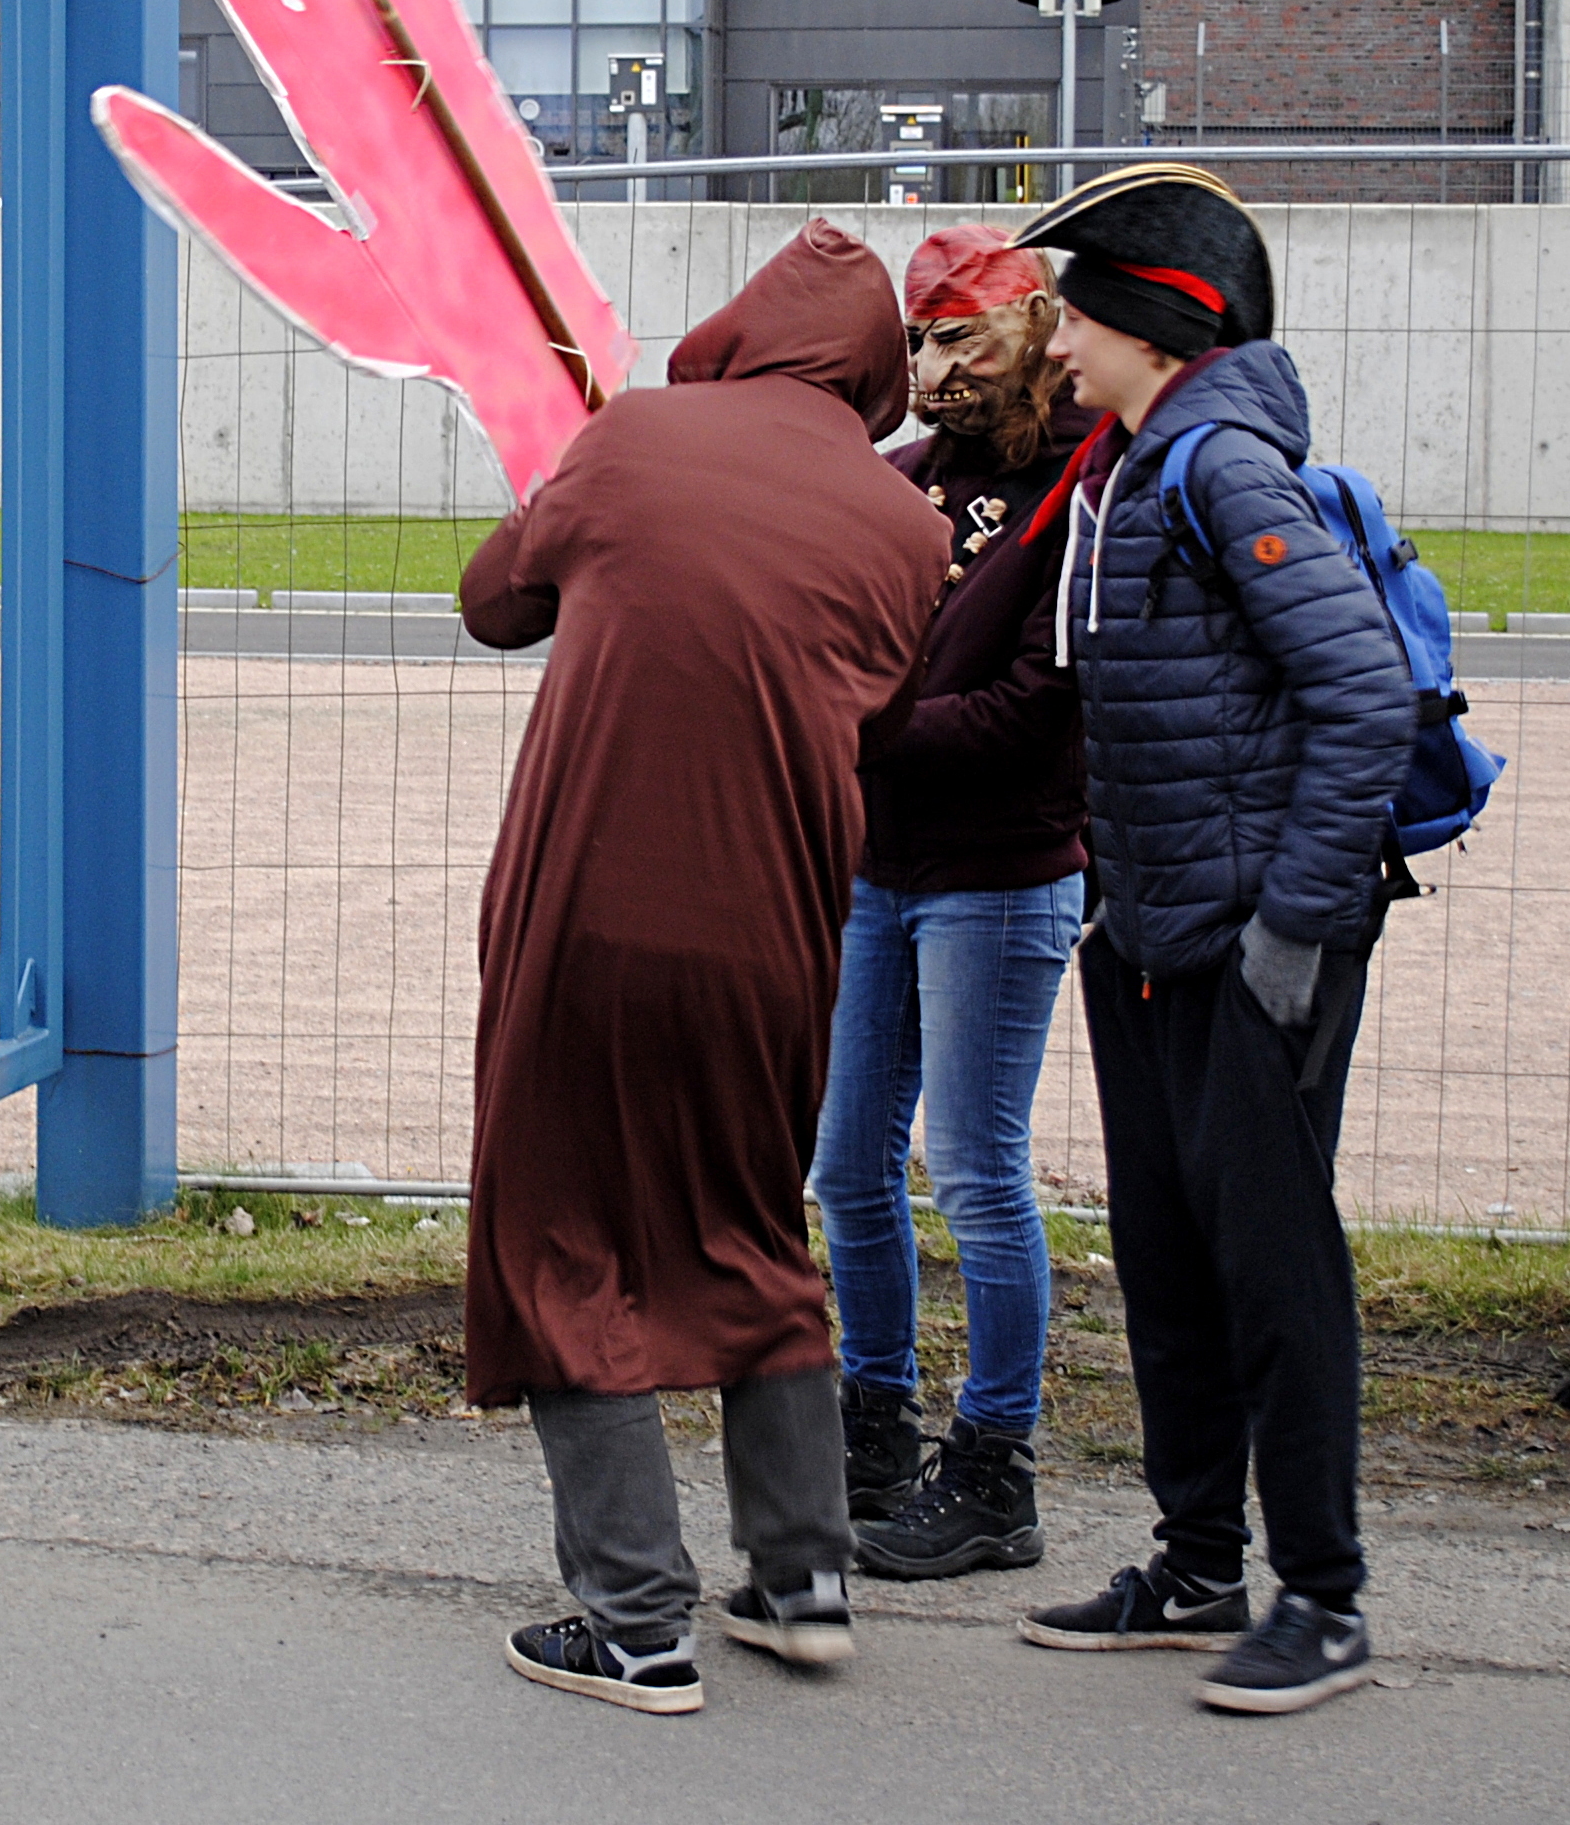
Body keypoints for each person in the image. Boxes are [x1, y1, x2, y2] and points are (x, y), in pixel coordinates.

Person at [463, 218, 950, 1716]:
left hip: (592, 907)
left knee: (564, 1232)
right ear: (872, 373)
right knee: (749, 1218)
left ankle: (631, 1621)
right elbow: (877, 707)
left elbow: (494, 602)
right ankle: (802, 1579)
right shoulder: (906, 524)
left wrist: (579, 481)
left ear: (739, 324)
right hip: (781, 926)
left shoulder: (634, 440)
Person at [1004, 163, 1412, 1717]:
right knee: (1169, 1255)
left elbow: (1360, 694)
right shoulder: (1131, 458)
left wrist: (1289, 934)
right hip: (1150, 928)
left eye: (1072, 318)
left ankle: (1321, 1594)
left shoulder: (1221, 464)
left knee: (1271, 1265)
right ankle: (1194, 1564)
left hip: (1250, 940)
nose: (1054, 346)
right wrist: (1124, 908)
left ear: (1151, 323)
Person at [810, 226, 1095, 1579]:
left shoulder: (1078, 485)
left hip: (1001, 873)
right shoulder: (898, 483)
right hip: (878, 868)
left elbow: (1039, 705)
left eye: (961, 334)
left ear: (1034, 324)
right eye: (919, 339)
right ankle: (870, 1425)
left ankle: (994, 1466)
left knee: (976, 1171)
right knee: (844, 1161)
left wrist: (857, 730)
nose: (933, 367)